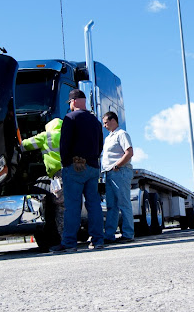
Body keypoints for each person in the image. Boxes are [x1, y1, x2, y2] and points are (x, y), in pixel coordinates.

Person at [51, 89, 105, 252]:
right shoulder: (95, 121)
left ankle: (69, 243)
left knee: (73, 205)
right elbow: (100, 145)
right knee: (94, 204)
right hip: (93, 166)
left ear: (73, 102)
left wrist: (66, 162)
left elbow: (65, 144)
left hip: (75, 166)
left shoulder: (70, 118)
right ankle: (98, 240)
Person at [101, 111, 135, 244]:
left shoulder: (122, 134)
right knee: (111, 205)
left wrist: (117, 165)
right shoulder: (109, 137)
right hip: (109, 173)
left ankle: (128, 234)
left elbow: (129, 152)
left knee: (124, 203)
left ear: (113, 120)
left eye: (105, 122)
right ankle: (109, 235)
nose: (104, 125)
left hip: (120, 172)